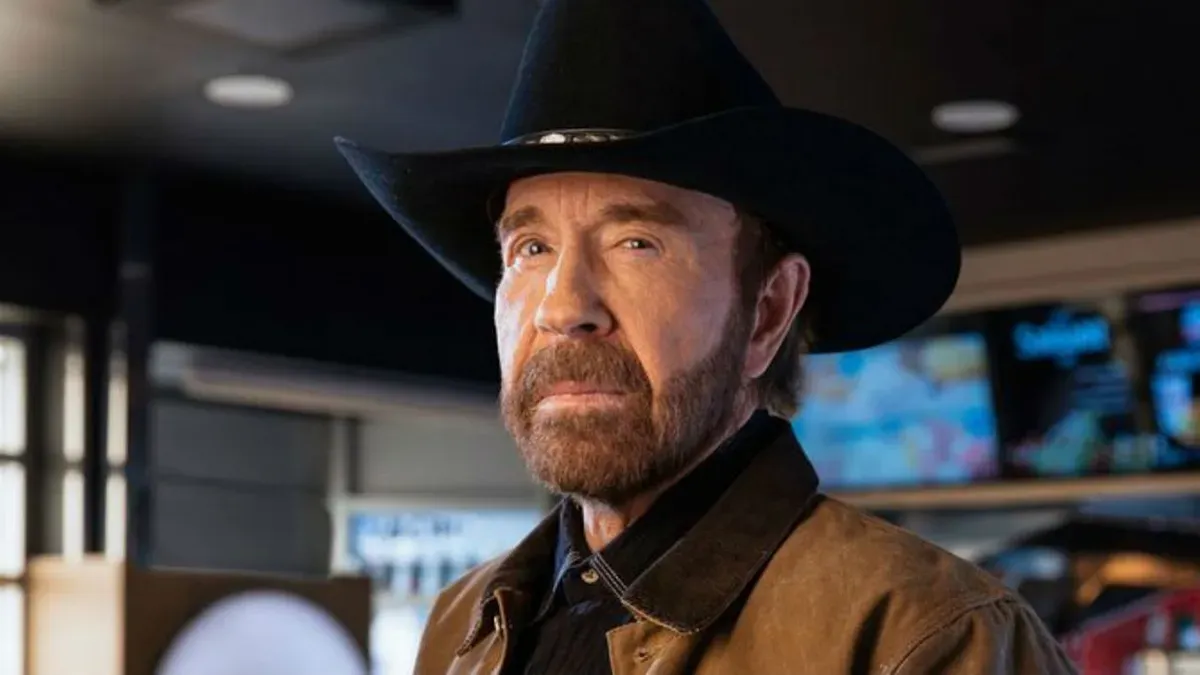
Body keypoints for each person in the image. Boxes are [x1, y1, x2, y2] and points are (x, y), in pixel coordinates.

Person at [336, 0, 1079, 672]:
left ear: (768, 310)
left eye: (636, 243)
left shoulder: (926, 633)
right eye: (531, 249)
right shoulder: (464, 621)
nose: (562, 307)